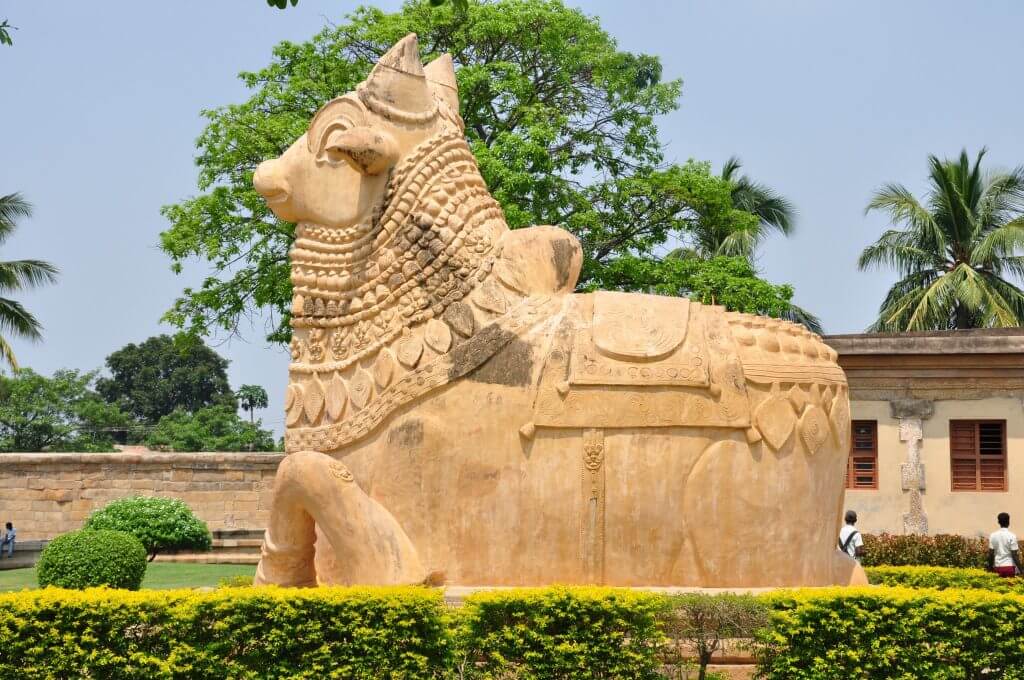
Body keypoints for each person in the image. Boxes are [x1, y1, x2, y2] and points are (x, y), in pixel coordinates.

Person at [988, 512, 1022, 578]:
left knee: (998, 587)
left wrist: (990, 568)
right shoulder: (1012, 536)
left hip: (997, 566)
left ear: (998, 522)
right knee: (1010, 587)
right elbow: (1014, 555)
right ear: (1008, 522)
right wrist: (1021, 570)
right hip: (1009, 567)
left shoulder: (993, 536)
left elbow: (991, 554)